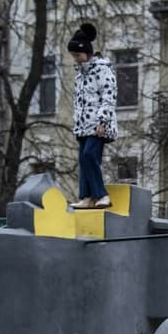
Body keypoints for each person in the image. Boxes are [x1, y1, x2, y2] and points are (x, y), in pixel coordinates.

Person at [67, 23, 117, 210]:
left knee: (90, 155)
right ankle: (86, 196)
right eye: (74, 56)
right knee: (83, 159)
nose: (76, 59)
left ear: (87, 53)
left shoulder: (102, 69)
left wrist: (102, 120)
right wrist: (78, 124)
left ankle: (101, 195)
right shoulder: (80, 74)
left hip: (98, 124)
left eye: (78, 55)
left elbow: (109, 94)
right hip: (83, 125)